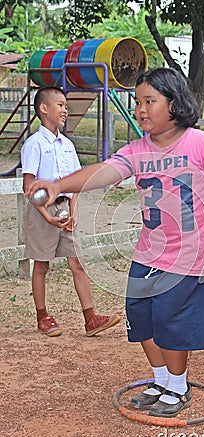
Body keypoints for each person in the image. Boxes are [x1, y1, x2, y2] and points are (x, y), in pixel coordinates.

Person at [26, 68, 204, 418]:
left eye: (150, 101)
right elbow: (103, 172)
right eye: (137, 102)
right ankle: (161, 381)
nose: (141, 109)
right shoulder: (137, 150)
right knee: (140, 315)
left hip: (191, 254)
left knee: (170, 318)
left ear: (173, 104)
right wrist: (60, 185)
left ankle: (178, 386)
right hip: (150, 251)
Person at [21, 86, 120, 337]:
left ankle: (91, 318)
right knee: (41, 264)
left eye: (66, 106)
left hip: (65, 208)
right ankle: (43, 316)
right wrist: (48, 217)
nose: (66, 110)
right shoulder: (34, 145)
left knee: (77, 262)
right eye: (60, 105)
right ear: (44, 109)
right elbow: (29, 187)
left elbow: (76, 182)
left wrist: (73, 212)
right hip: (42, 208)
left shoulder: (67, 145)